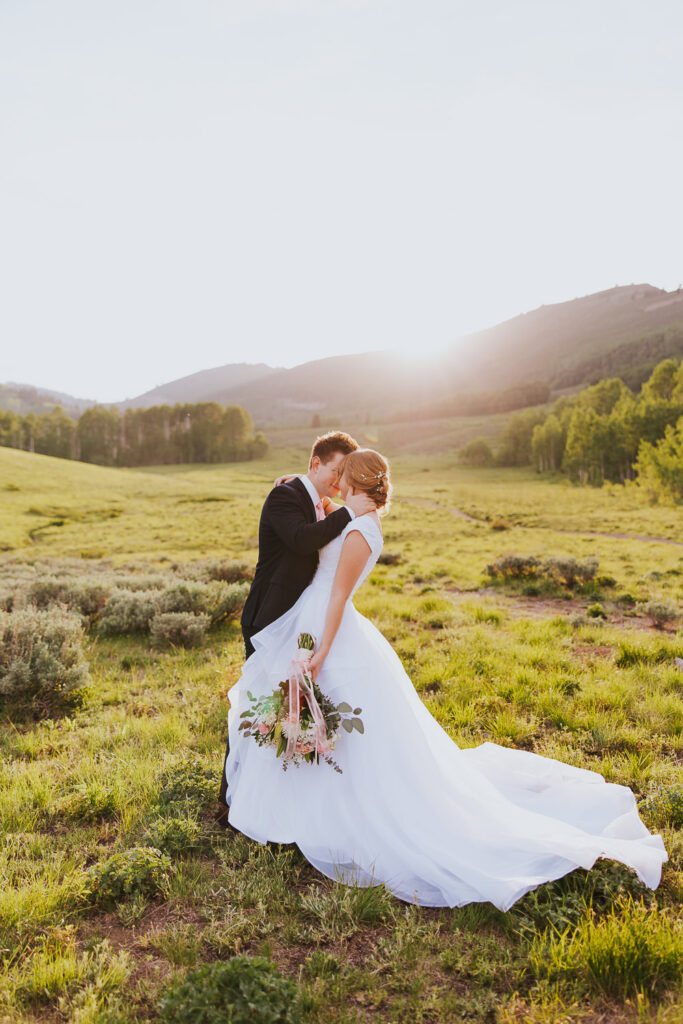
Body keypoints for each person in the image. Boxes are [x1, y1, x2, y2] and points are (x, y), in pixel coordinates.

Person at [223, 448, 667, 910]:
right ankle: (304, 806)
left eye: (342, 479)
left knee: (330, 716)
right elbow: (322, 519)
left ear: (355, 483)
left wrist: (320, 652)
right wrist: (305, 487)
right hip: (309, 617)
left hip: (326, 626)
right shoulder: (355, 518)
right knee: (311, 712)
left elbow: (337, 595)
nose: (335, 487)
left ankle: (333, 815)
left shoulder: (360, 531)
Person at [217, 431, 375, 817]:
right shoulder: (285, 495)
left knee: (288, 707)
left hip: (300, 621)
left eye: (345, 476)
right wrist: (350, 511)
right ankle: (231, 795)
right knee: (256, 703)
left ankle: (286, 797)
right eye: (334, 471)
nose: (339, 483)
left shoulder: (316, 497)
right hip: (269, 617)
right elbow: (303, 540)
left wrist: (337, 500)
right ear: (315, 463)